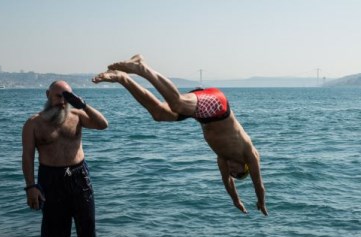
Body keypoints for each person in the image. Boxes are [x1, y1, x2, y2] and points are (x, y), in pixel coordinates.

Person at [92, 54, 267, 215]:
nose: (232, 172)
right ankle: (142, 67)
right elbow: (258, 183)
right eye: (237, 172)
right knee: (177, 103)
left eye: (232, 174)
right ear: (245, 167)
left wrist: (235, 200)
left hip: (202, 114)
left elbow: (227, 183)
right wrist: (261, 201)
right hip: (217, 106)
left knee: (159, 113)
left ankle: (123, 78)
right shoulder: (249, 154)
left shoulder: (222, 159)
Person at [22, 80, 109, 237]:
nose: (63, 101)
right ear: (47, 95)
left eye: (67, 96)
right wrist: (31, 186)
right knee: (58, 225)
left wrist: (83, 104)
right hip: (51, 177)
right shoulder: (34, 123)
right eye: (58, 96)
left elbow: (103, 124)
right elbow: (27, 157)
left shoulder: (77, 116)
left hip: (79, 175)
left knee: (87, 222)